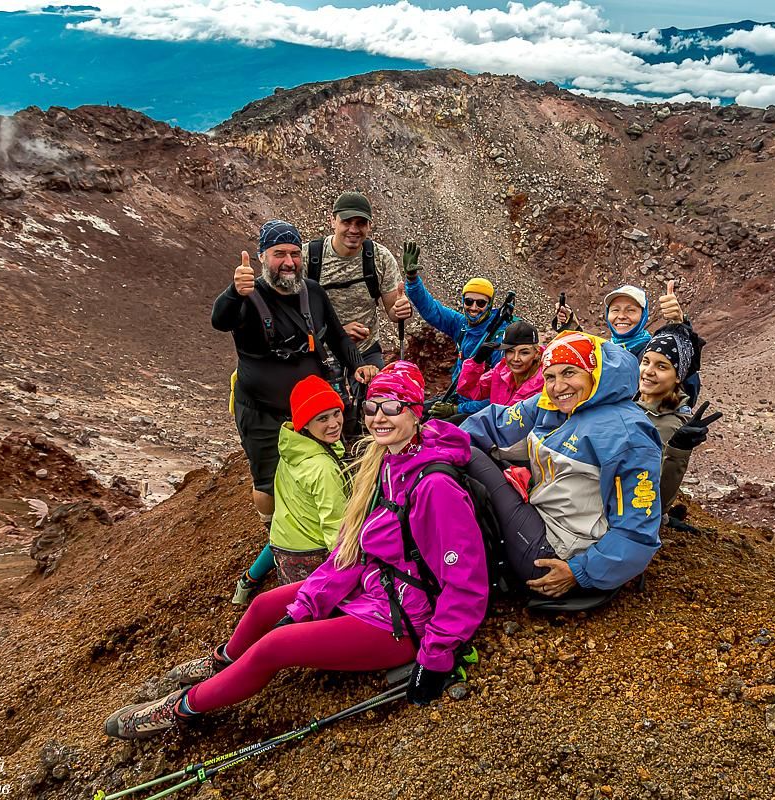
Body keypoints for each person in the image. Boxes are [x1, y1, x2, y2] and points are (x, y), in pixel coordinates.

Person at [103, 362, 489, 740]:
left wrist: (434, 661)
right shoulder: (388, 462)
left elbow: (466, 586)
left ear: (415, 411)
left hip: (402, 622)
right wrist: (306, 606)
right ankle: (224, 663)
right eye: (371, 407)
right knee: (264, 606)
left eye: (392, 406)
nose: (378, 417)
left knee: (274, 646)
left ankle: (182, 708)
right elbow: (351, 550)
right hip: (377, 589)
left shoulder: (435, 487)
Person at [460, 332, 662, 597]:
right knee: (458, 445)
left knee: (468, 456)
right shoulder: (553, 403)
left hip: (559, 557)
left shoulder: (625, 434)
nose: (558, 386)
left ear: (594, 373)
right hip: (545, 524)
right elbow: (497, 423)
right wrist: (430, 436)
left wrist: (579, 571)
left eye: (569, 373)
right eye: (550, 376)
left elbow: (638, 530)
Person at [212, 220, 378, 531]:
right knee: (268, 480)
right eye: (279, 254)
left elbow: (339, 338)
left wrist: (357, 364)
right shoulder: (247, 295)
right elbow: (220, 321)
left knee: (327, 466)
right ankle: (275, 535)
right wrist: (234, 292)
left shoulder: (313, 292)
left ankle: (321, 526)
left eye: (295, 253)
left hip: (312, 410)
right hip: (262, 411)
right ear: (263, 256)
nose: (289, 262)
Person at [232, 375, 349, 605]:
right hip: (311, 552)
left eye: (337, 412)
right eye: (323, 418)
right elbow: (335, 525)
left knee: (293, 602)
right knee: (318, 610)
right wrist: (347, 568)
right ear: (305, 423)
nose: (334, 423)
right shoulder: (322, 468)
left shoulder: (293, 445)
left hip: (284, 543)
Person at [304, 192, 413, 435]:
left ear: (369, 225)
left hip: (365, 350)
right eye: (347, 222)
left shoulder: (379, 258)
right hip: (320, 352)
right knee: (327, 417)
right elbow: (291, 318)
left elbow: (393, 312)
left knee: (380, 404)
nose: (354, 229)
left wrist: (402, 309)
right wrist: (338, 333)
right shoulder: (309, 258)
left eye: (360, 223)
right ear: (333, 221)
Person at [397, 246, 507, 418]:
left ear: (490, 305)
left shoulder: (498, 338)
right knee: (410, 414)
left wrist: (457, 411)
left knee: (431, 432)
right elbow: (432, 310)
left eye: (481, 303)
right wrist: (412, 280)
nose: (474, 307)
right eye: (469, 301)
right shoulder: (461, 324)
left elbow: (500, 395)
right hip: (455, 396)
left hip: (477, 410)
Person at [557, 280, 703, 402]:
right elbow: (587, 361)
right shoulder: (608, 348)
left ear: (643, 315)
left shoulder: (655, 351)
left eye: (630, 310)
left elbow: (688, 389)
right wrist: (573, 327)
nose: (621, 316)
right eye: (615, 310)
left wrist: (681, 326)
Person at [635, 324, 720, 519]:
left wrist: (678, 450)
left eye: (661, 366)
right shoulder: (632, 403)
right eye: (646, 361)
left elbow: (656, 501)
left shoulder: (670, 426)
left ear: (678, 377)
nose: (648, 371)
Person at [456, 320, 544, 407]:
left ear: (536, 354)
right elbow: (467, 391)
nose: (516, 358)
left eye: (524, 353)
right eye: (510, 351)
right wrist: (476, 362)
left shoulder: (545, 382)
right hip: (496, 420)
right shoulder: (501, 370)